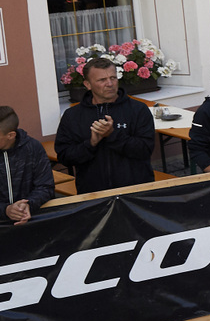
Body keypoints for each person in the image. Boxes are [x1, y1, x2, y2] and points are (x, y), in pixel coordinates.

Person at [54, 56, 156, 194]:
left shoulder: (138, 110)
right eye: (102, 80)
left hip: (136, 193)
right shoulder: (72, 115)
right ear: (87, 84)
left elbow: (145, 149)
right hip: (93, 195)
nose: (110, 83)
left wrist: (113, 135)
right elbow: (65, 157)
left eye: (113, 78)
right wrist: (90, 144)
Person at [0, 105, 54, 225]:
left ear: (11, 135)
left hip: (31, 222)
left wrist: (28, 205)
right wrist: (5, 210)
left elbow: (46, 186)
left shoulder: (33, 148)